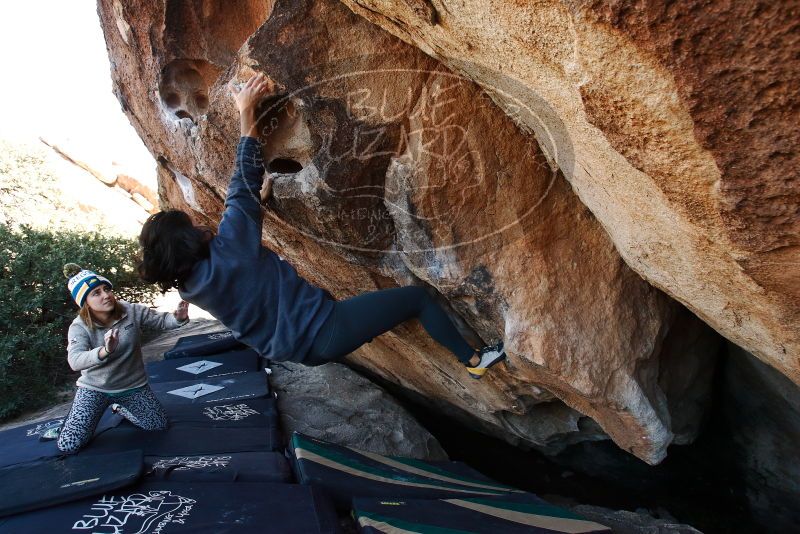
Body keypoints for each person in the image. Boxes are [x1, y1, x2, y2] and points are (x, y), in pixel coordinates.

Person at [137, 73, 505, 379]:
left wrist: (256, 207)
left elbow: (239, 247)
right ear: (188, 240)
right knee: (418, 299)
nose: (202, 223)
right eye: (193, 224)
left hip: (300, 348)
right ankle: (475, 362)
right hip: (326, 329)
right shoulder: (228, 250)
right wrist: (246, 111)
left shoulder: (191, 286)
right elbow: (241, 184)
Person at [54, 264, 189, 453]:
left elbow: (161, 321)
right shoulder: (79, 326)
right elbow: (75, 361)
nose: (105, 295)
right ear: (85, 302)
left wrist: (178, 319)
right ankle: (82, 417)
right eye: (96, 293)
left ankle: (120, 407)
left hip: (132, 387)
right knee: (69, 445)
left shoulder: (130, 310)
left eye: (106, 289)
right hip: (95, 389)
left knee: (158, 426)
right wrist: (104, 351)